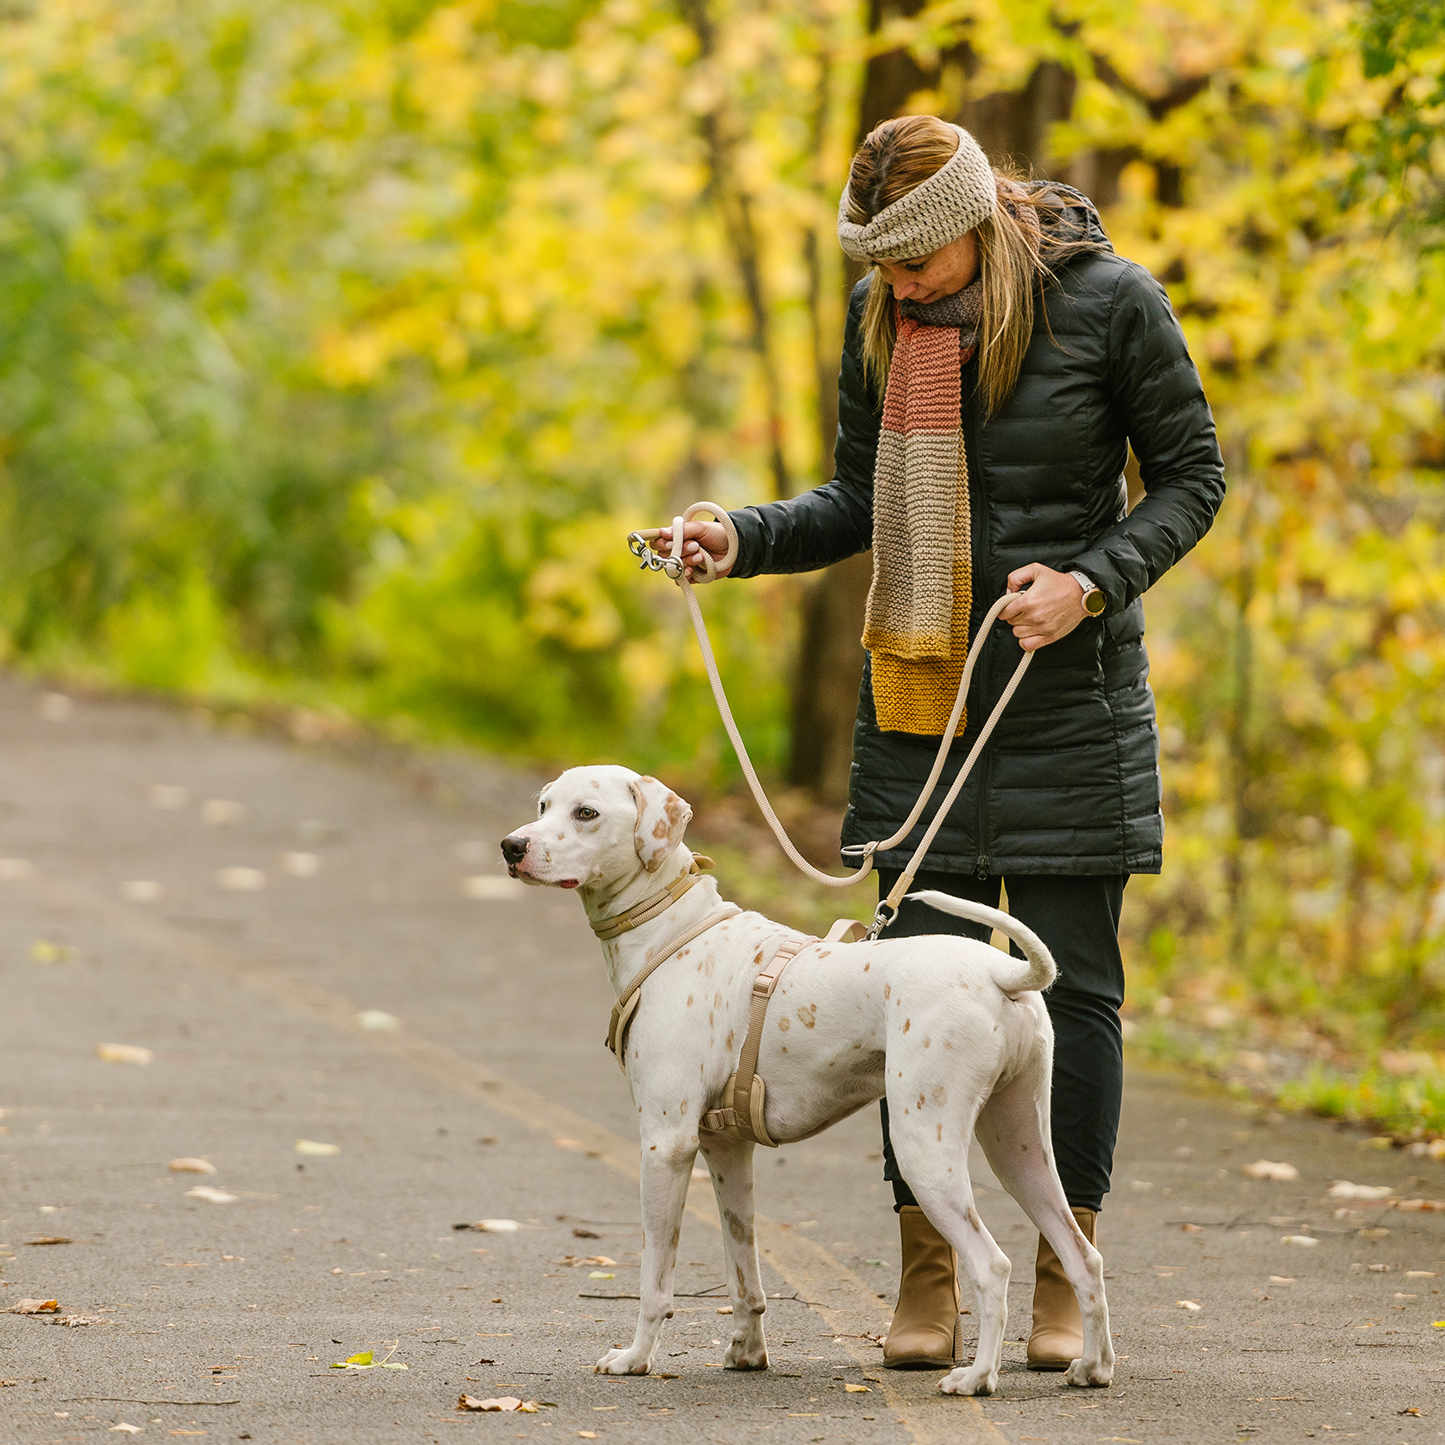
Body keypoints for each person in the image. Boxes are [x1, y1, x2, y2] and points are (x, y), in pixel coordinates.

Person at [661, 114, 1225, 1371]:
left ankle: (1064, 1271)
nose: (897, 286)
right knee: (903, 989)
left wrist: (1089, 581)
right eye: (880, 267)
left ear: (971, 223)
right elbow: (855, 499)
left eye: (912, 262)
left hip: (1066, 703)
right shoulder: (883, 322)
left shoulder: (1113, 304)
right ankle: (928, 1273)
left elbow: (1192, 477)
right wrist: (739, 537)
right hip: (918, 710)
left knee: (1071, 992)